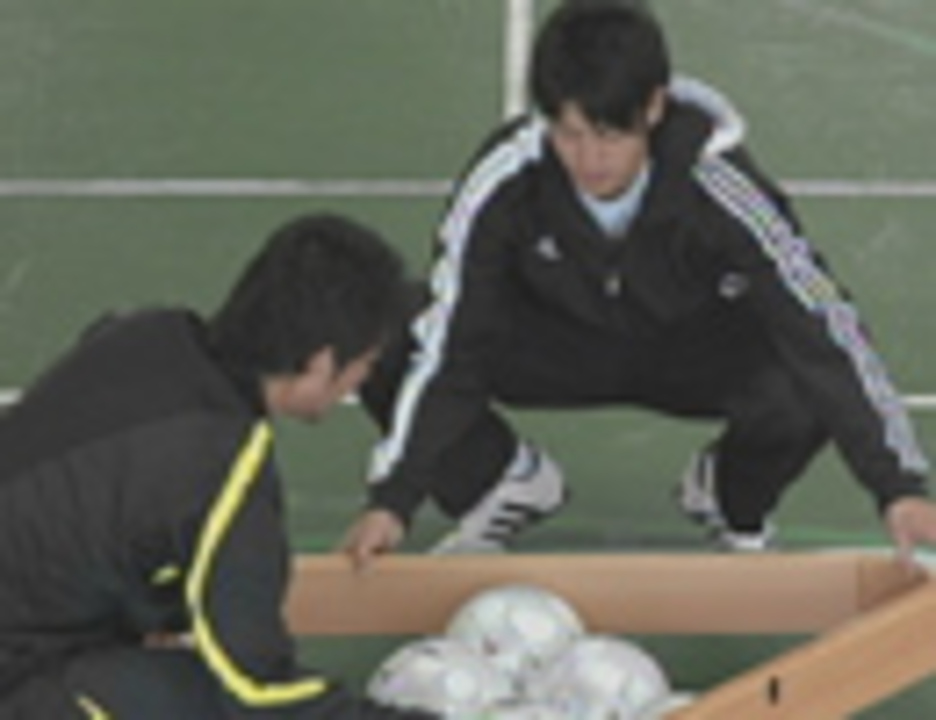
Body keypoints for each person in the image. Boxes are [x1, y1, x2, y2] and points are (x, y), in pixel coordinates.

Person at [342, 0, 936, 566]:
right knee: (381, 332)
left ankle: (730, 499)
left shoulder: (722, 187)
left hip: (690, 350)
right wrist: (394, 498)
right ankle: (496, 484)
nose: (588, 159)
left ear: (653, 108)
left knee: (802, 379)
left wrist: (898, 487)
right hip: (553, 342)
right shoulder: (505, 182)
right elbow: (453, 343)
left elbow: (823, 323)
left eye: (609, 136)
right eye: (569, 133)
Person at [0, 214, 435, 718]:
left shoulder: (146, 333)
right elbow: (259, 690)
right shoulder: (223, 471)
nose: (361, 381)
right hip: (20, 673)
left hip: (29, 614)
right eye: (366, 364)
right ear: (320, 363)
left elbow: (101, 511)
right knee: (203, 697)